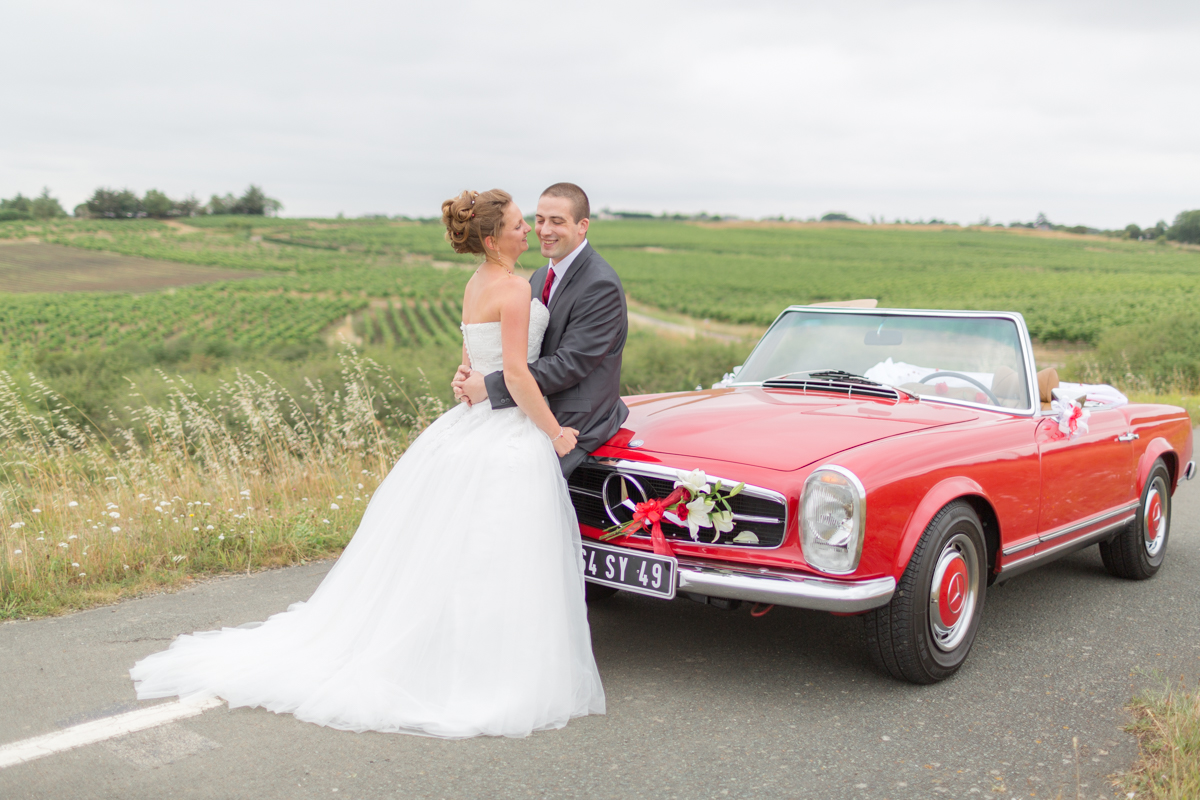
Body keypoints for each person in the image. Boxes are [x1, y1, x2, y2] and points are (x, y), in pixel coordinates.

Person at [129, 188, 606, 739]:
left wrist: (467, 378)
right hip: (505, 427)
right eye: (523, 224)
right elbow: (518, 375)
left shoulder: (478, 282)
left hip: (471, 421)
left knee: (456, 542)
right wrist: (555, 431)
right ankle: (482, 661)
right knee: (497, 546)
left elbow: (473, 355)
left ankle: (444, 642)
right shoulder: (516, 290)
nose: (531, 231)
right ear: (495, 237)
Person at [452, 182, 628, 479]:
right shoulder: (539, 276)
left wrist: (488, 385)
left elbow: (567, 365)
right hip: (527, 415)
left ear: (582, 226)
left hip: (577, 428)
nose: (543, 230)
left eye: (557, 222)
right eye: (539, 220)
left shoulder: (600, 285)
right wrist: (469, 374)